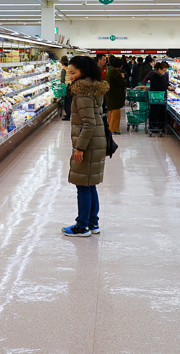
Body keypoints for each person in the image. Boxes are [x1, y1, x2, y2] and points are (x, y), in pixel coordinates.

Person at [63, 56, 109, 237]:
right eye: (69, 73)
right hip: (96, 141)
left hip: (88, 143)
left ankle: (82, 226)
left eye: (73, 73)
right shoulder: (93, 88)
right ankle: (92, 223)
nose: (70, 76)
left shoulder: (82, 92)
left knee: (82, 185)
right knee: (90, 185)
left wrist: (80, 148)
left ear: (84, 72)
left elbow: (89, 123)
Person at [148, 61, 173, 132]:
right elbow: (157, 86)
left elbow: (164, 84)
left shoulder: (161, 76)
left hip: (161, 97)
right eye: (164, 70)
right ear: (159, 69)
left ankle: (160, 127)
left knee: (161, 112)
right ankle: (153, 127)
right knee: (155, 112)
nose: (165, 72)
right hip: (156, 97)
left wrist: (168, 86)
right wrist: (166, 87)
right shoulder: (154, 76)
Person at [105, 57, 127, 135]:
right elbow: (122, 84)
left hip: (109, 95)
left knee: (110, 113)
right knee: (115, 113)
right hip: (115, 96)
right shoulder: (116, 73)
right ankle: (114, 129)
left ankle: (110, 128)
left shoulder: (110, 72)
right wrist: (124, 79)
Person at [59, 55, 72, 120]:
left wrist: (61, 87)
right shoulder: (69, 68)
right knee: (70, 101)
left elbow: (62, 80)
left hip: (66, 87)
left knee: (67, 101)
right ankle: (69, 114)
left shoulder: (64, 69)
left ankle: (68, 115)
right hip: (70, 85)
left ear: (62, 63)